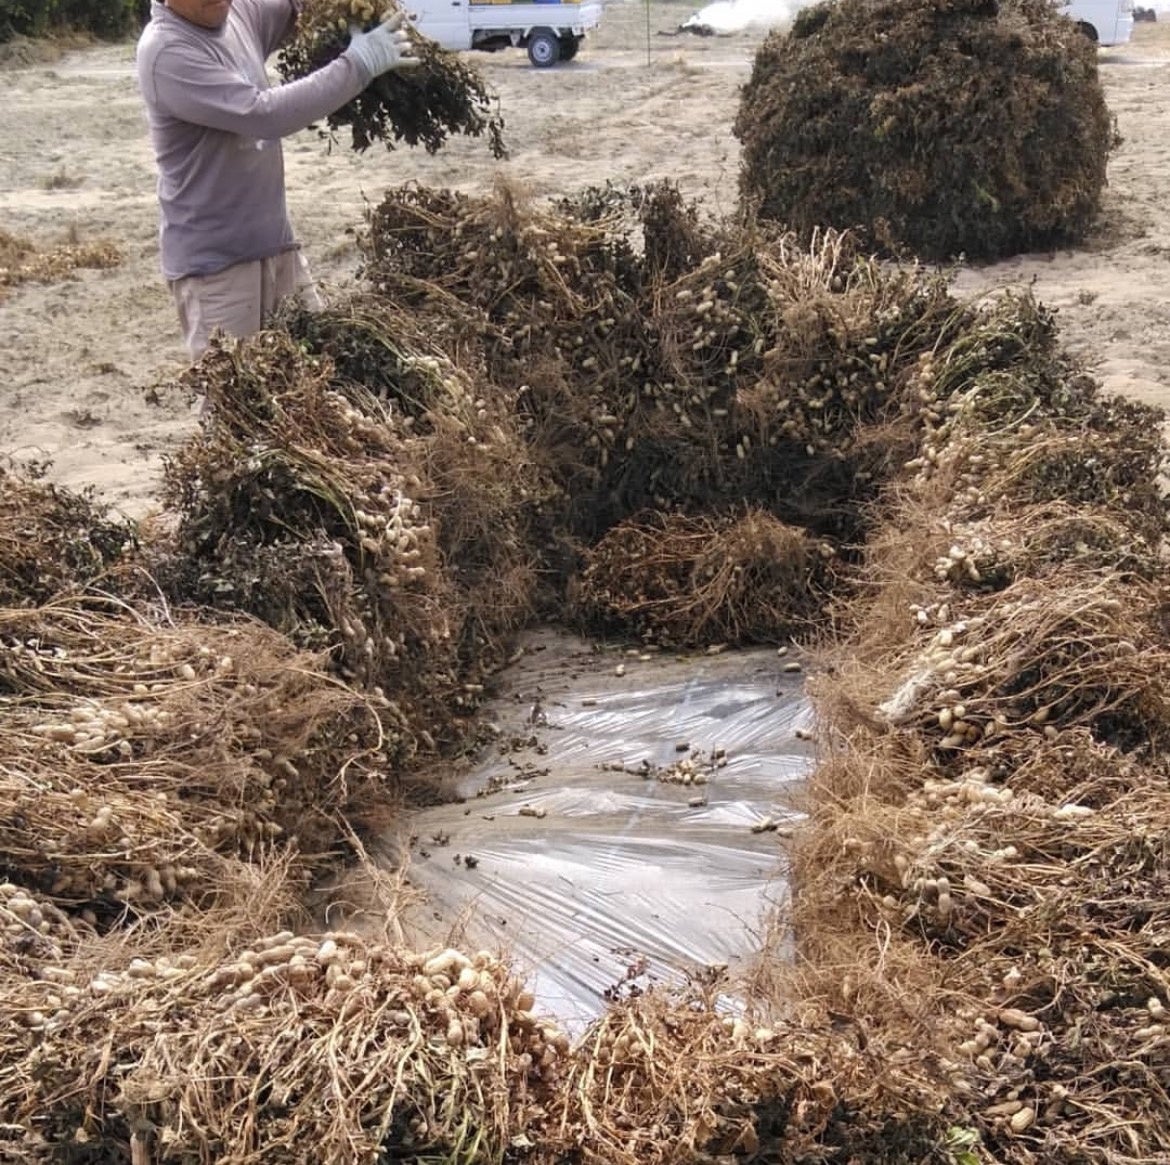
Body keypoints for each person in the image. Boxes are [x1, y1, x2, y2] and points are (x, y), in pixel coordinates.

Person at [136, 0, 416, 361]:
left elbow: (300, 8)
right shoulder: (167, 51)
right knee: (238, 391)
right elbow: (264, 115)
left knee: (323, 369)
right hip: (215, 271)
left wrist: (353, 8)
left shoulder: (236, 13)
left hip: (277, 246)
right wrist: (358, 64)